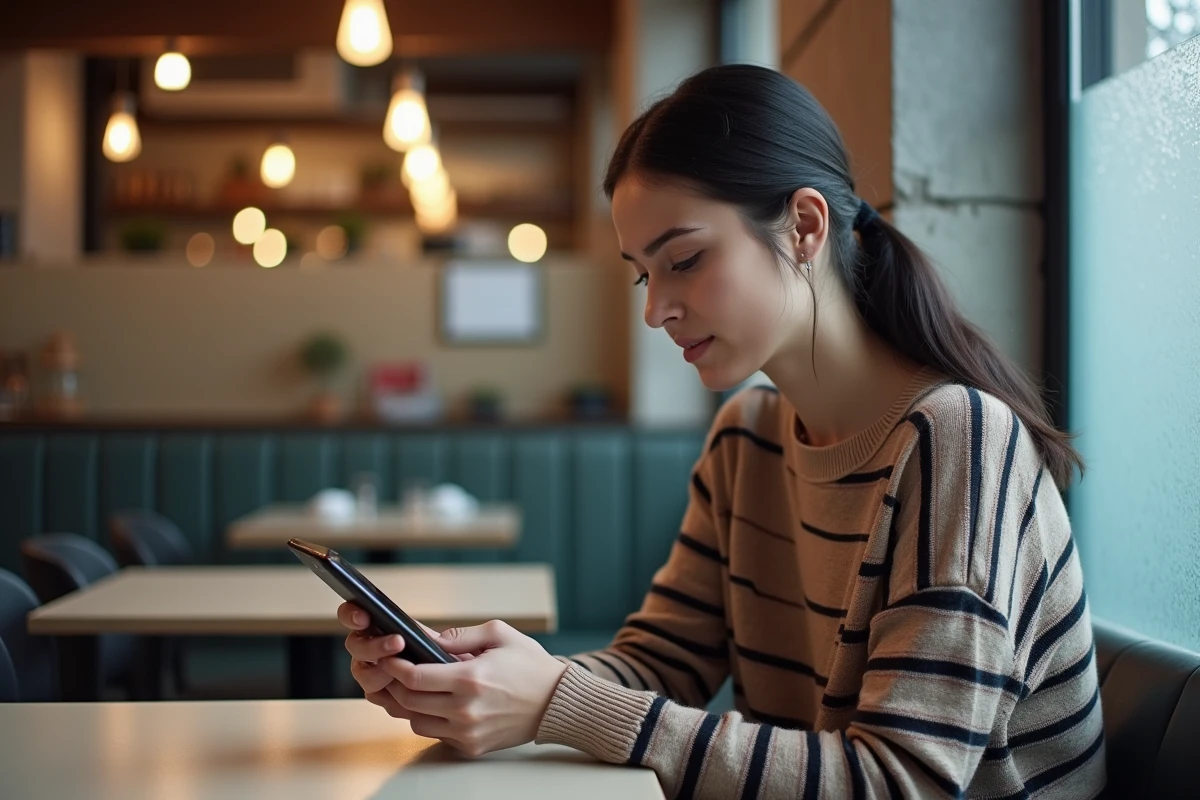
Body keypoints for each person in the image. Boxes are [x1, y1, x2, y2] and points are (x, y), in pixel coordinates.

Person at [338, 64, 1105, 798]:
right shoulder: (747, 438)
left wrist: (558, 702)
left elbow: (902, 782)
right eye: (644, 273)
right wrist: (499, 680)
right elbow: (663, 662)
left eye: (686, 259)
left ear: (804, 225)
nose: (655, 309)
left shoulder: (957, 442)